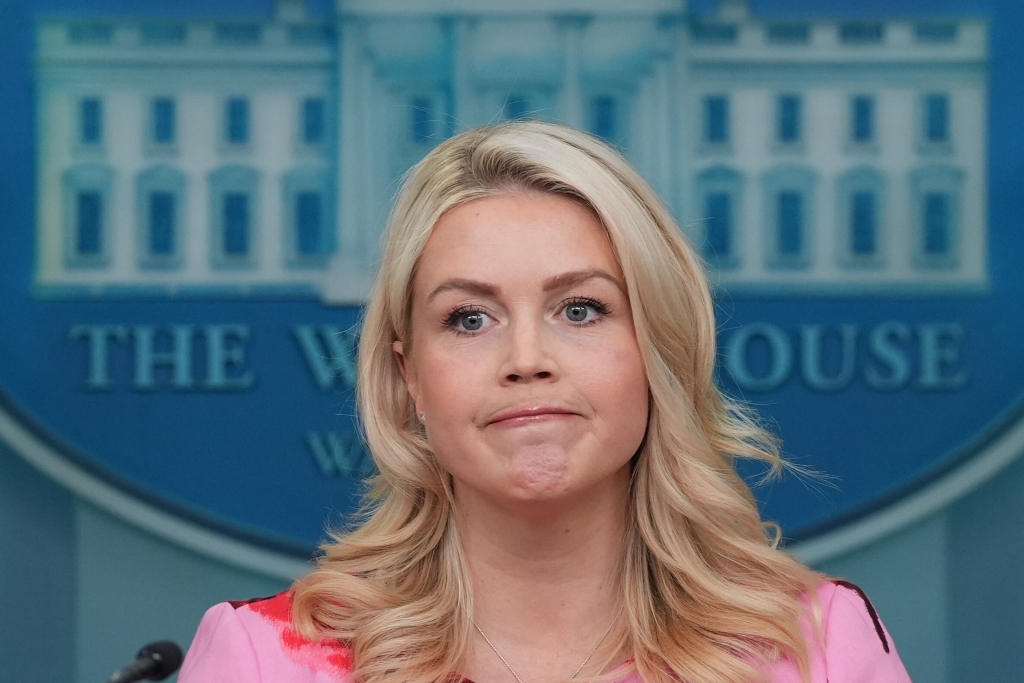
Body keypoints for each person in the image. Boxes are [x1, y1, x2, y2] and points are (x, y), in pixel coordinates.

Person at [178, 121, 912, 683]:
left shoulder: (817, 649)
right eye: (470, 318)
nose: (526, 359)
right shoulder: (265, 659)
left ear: (656, 350)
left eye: (581, 309)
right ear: (410, 378)